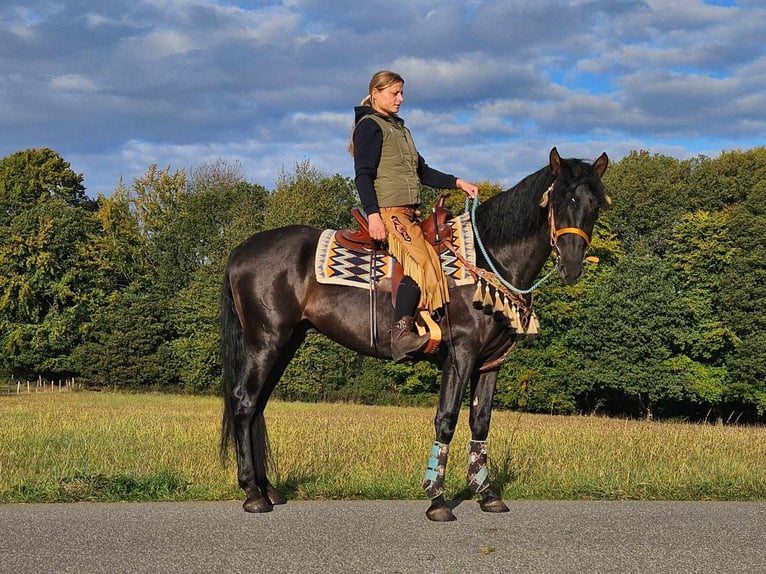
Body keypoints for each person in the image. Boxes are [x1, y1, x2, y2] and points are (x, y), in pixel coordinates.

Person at [350, 70, 479, 362]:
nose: (401, 99)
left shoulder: (400, 129)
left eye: (401, 93)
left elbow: (422, 172)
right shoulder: (370, 126)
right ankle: (401, 336)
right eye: (395, 93)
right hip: (389, 212)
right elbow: (363, 176)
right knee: (422, 263)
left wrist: (458, 182)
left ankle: (428, 325)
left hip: (409, 212)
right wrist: (373, 216)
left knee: (434, 260)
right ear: (376, 93)